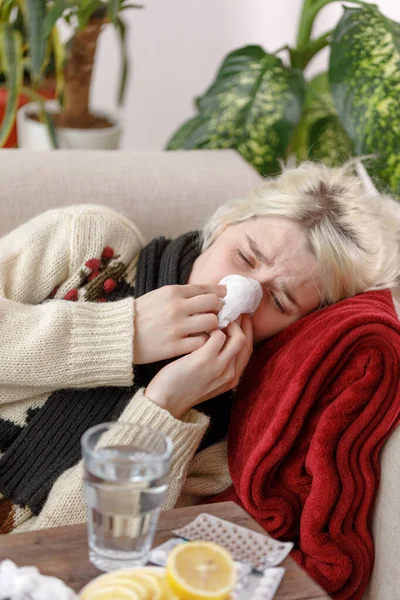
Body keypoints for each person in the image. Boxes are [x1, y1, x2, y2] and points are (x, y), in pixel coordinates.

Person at [0, 161, 399, 534]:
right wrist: (125, 332)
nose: (241, 290)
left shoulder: (224, 427)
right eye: (244, 257)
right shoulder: (95, 245)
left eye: (279, 301)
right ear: (225, 224)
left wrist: (165, 407)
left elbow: (89, 541)